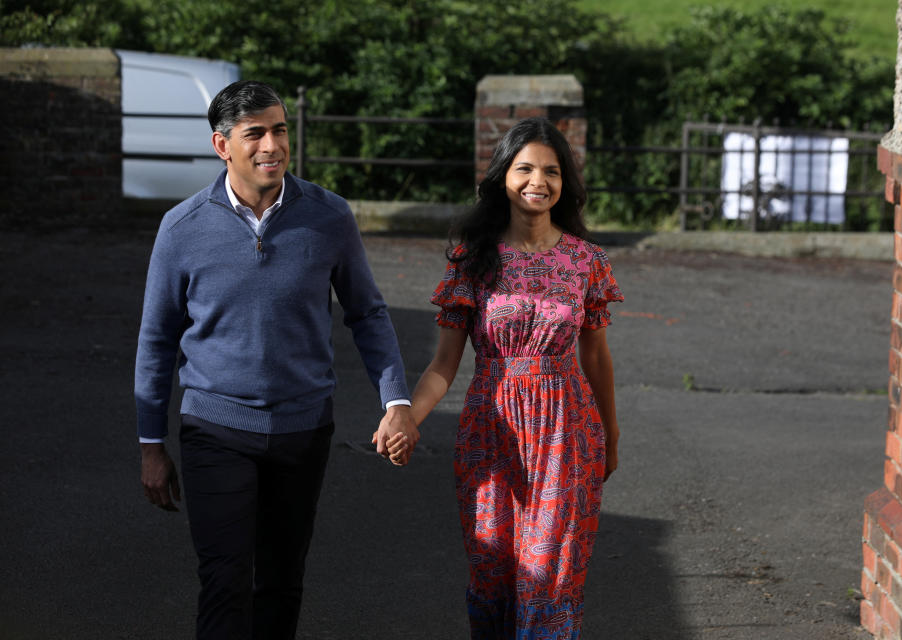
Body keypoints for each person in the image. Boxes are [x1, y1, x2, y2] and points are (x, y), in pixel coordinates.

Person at [134, 80, 418, 640]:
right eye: (255, 133)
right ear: (222, 146)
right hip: (215, 429)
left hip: (304, 428)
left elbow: (368, 313)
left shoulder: (329, 217)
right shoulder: (182, 228)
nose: (272, 145)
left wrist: (397, 399)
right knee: (225, 579)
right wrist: (150, 445)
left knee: (283, 581)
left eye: (280, 130)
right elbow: (157, 339)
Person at [383, 117, 622, 638]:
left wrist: (610, 435)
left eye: (553, 172)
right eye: (526, 168)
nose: (540, 181)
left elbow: (597, 357)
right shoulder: (472, 260)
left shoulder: (587, 261)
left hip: (566, 434)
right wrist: (406, 417)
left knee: (548, 573)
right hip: (490, 434)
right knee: (493, 571)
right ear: (503, 178)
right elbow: (443, 364)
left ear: (565, 184)